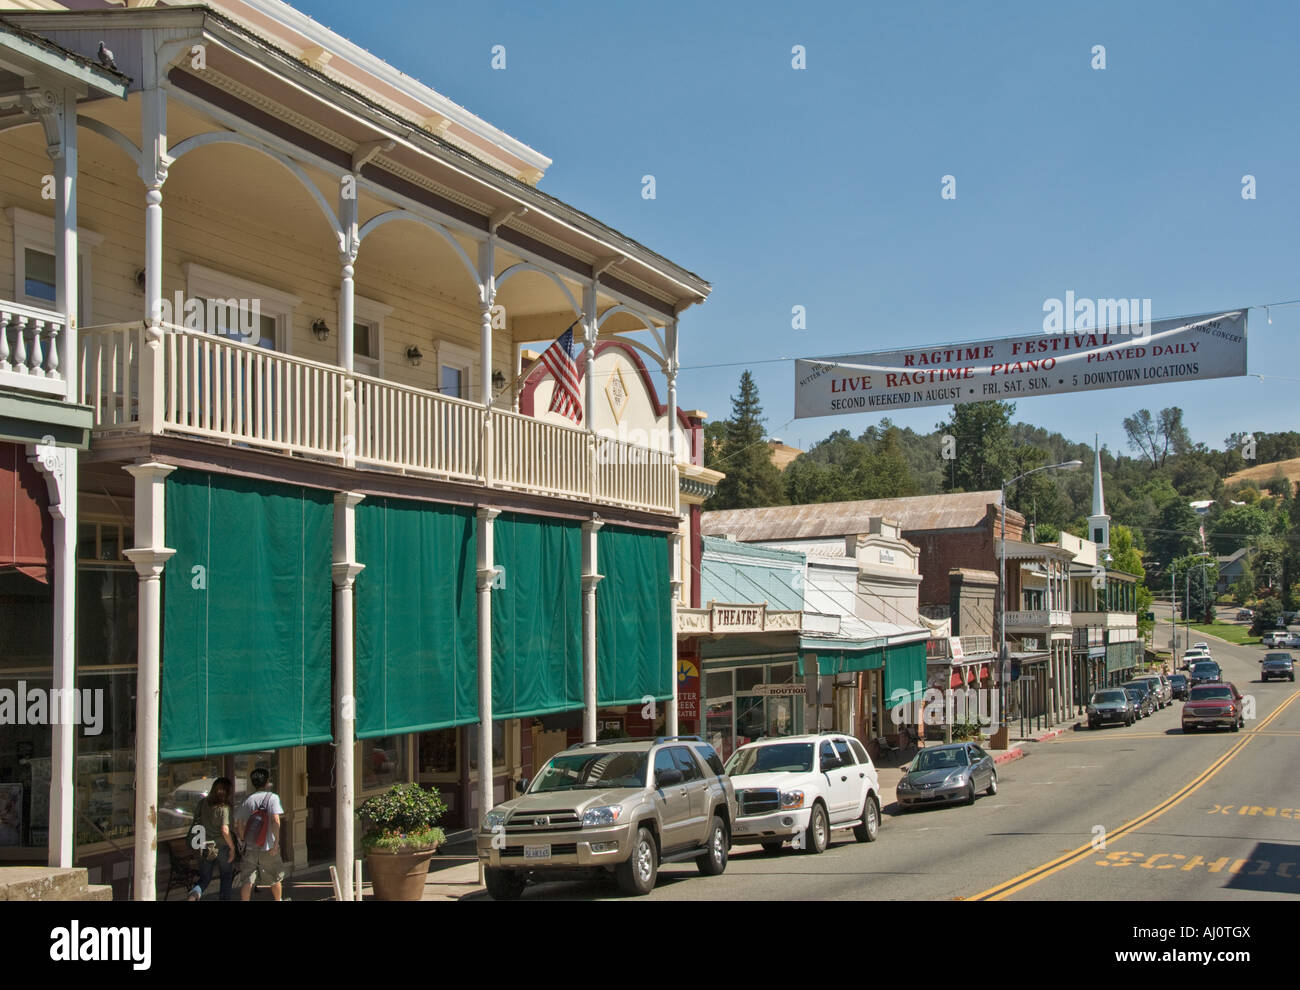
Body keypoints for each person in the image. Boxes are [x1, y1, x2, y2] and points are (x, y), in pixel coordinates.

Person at [234, 767, 285, 901]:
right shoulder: (272, 798)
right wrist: (276, 843)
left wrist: (243, 840)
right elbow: (275, 821)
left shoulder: (247, 800)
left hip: (250, 847)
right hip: (267, 847)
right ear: (267, 782)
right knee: (274, 877)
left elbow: (239, 823)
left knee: (247, 879)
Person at [188, 776, 236, 900]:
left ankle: (193, 897)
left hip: (204, 846)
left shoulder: (203, 803)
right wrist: (232, 848)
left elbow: (196, 819)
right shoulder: (223, 808)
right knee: (226, 876)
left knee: (204, 879)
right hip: (222, 847)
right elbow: (225, 830)